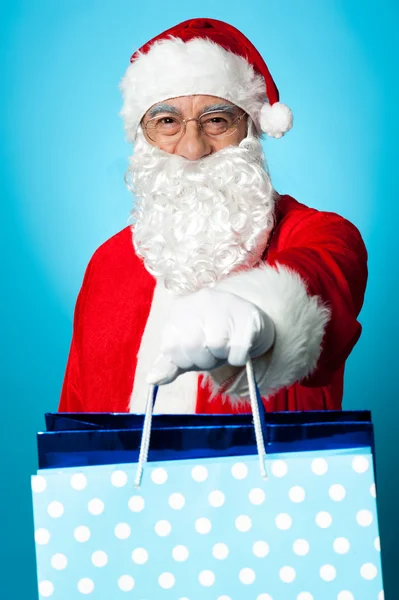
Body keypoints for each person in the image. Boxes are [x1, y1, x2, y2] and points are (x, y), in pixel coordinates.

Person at [58, 18, 368, 415]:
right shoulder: (107, 264)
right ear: (142, 136)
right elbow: (76, 414)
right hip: (127, 477)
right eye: (167, 121)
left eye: (216, 120)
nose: (192, 147)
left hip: (262, 477)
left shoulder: (317, 233)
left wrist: (262, 310)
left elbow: (323, 274)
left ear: (251, 130)